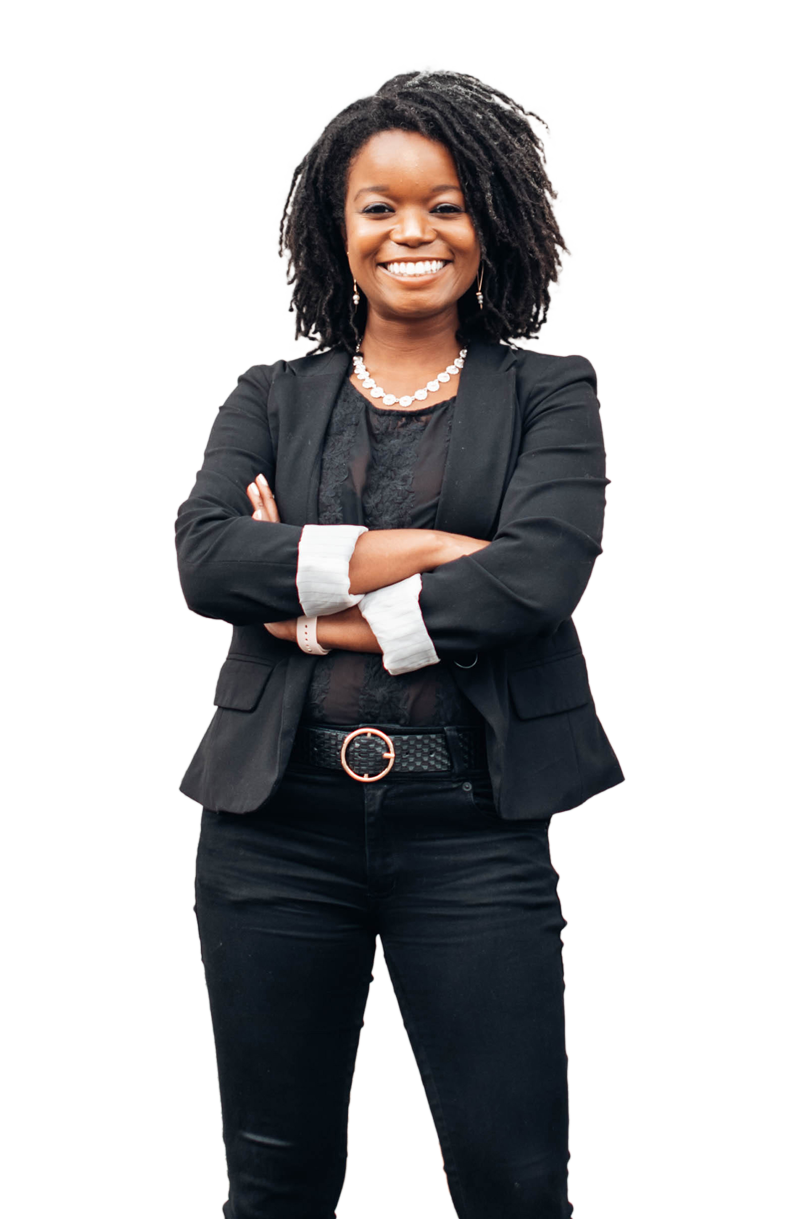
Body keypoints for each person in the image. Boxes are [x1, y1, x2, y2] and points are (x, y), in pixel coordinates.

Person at [175, 68, 624, 1219]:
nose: (411, 231)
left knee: (516, 1188)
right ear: (338, 229)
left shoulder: (547, 395)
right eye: (378, 206)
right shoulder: (270, 397)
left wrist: (311, 608)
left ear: (492, 223)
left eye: (446, 204)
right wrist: (430, 545)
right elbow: (211, 560)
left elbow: (532, 577)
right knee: (274, 1189)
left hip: (469, 828)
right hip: (272, 830)